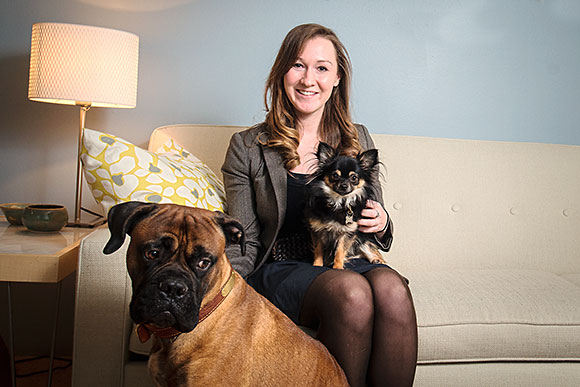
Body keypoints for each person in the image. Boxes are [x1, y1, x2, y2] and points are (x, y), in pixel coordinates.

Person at [222, 23, 417, 387]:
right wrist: (229, 295)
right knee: (352, 293)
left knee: (393, 290)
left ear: (337, 78)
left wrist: (383, 220)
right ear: (282, 72)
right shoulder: (247, 147)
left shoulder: (357, 137)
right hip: (284, 265)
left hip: (347, 255)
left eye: (322, 68)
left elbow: (372, 218)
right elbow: (243, 237)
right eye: (298, 65)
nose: (308, 79)